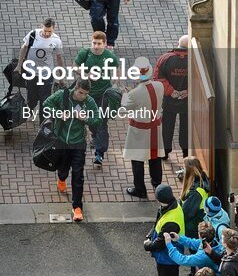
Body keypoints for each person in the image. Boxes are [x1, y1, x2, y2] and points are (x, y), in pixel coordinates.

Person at [42, 77, 101, 222]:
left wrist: (85, 118)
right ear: (75, 89)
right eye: (80, 93)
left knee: (78, 174)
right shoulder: (63, 94)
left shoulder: (89, 102)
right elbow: (46, 104)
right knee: (63, 168)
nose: (82, 96)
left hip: (78, 143)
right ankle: (61, 179)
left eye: (85, 94)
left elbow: (97, 120)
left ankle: (77, 207)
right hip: (62, 141)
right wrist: (58, 113)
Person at [144, 184, 186, 276]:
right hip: (164, 257)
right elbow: (157, 226)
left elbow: (160, 242)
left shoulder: (171, 219)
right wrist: (150, 236)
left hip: (168, 258)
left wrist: (147, 245)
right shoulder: (170, 206)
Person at [73, 31, 119, 166]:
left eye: (99, 44)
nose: (96, 46)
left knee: (101, 122)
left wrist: (116, 84)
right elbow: (75, 67)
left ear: (104, 44)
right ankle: (94, 136)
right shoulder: (85, 53)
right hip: (87, 95)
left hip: (103, 95)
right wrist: (86, 73)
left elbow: (116, 71)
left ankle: (100, 153)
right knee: (91, 122)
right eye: (94, 43)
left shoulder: (110, 57)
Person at [123, 57, 165, 199]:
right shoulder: (159, 86)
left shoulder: (134, 93)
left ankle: (140, 189)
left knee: (137, 160)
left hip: (139, 131)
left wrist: (125, 94)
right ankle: (157, 184)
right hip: (155, 128)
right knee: (155, 158)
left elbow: (124, 107)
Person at [14, 18, 64, 116]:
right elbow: (24, 48)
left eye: (50, 31)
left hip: (46, 74)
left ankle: (43, 121)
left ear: (54, 28)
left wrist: (61, 77)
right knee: (32, 96)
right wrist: (19, 66)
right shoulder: (33, 34)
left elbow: (59, 58)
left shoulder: (56, 40)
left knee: (45, 99)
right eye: (45, 31)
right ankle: (31, 108)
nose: (47, 33)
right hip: (31, 73)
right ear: (41, 26)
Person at [153, 36, 189, 158]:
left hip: (170, 99)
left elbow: (158, 78)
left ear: (177, 44)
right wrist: (188, 91)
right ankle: (186, 151)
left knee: (167, 126)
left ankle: (165, 152)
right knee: (186, 126)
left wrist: (171, 91)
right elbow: (199, 79)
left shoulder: (165, 59)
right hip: (187, 100)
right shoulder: (194, 60)